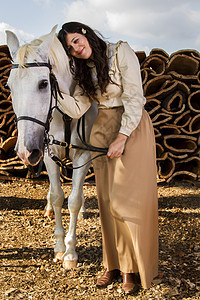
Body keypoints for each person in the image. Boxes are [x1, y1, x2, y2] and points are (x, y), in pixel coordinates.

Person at [57, 22, 158, 295]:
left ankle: (130, 269)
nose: (76, 49)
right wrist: (54, 91)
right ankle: (111, 264)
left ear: (86, 34)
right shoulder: (83, 70)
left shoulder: (119, 52)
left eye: (77, 40)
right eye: (70, 48)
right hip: (102, 128)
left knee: (126, 201)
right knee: (106, 199)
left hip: (131, 126)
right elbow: (79, 107)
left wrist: (123, 136)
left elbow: (135, 97)